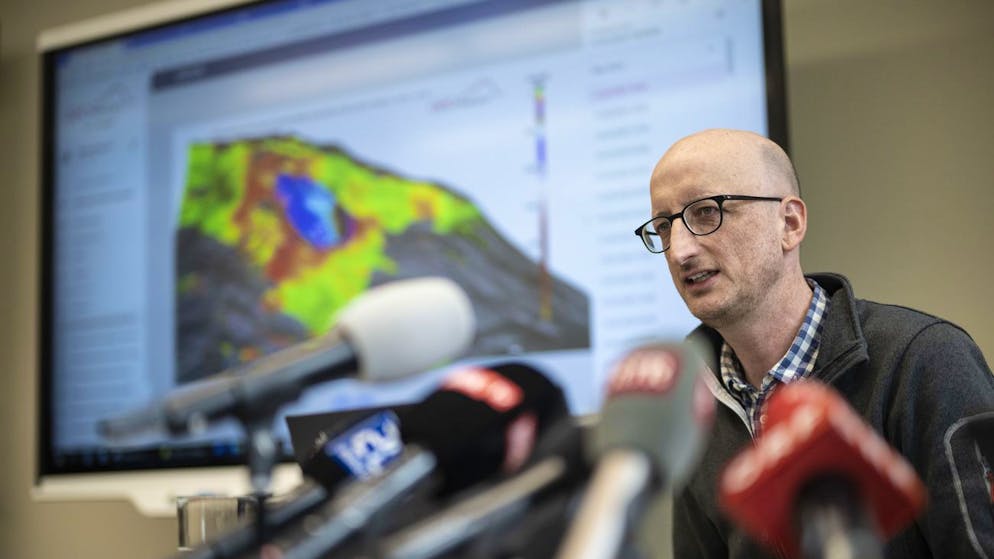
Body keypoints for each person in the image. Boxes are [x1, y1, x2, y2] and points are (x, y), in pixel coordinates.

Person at [636, 128, 994, 557]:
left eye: (706, 212)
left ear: (790, 223)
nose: (680, 251)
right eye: (663, 227)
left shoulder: (926, 360)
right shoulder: (690, 404)